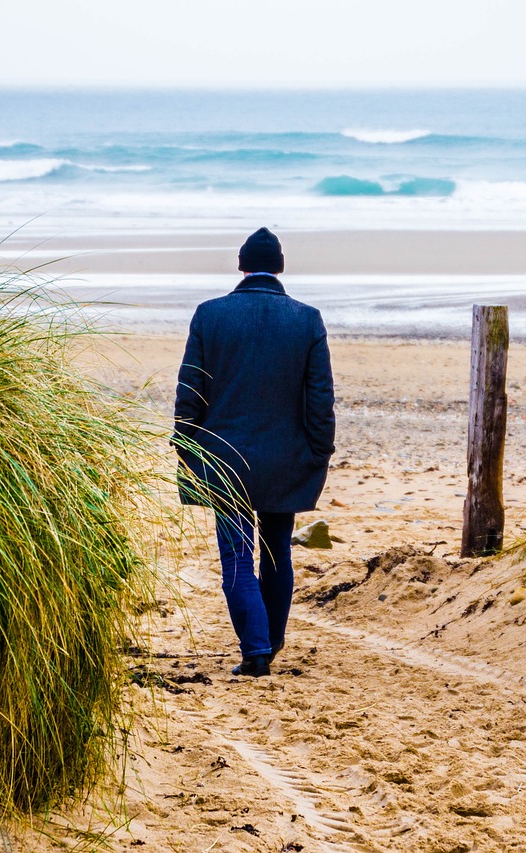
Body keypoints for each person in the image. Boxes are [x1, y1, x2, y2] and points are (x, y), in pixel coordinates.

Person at [174, 227, 336, 678]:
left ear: (241, 266)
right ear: (280, 268)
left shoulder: (210, 315)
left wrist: (183, 444)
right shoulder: (307, 319)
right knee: (277, 552)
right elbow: (320, 398)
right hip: (286, 461)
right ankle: (271, 640)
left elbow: (190, 391)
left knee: (236, 557)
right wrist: (320, 451)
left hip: (223, 459)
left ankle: (256, 650)